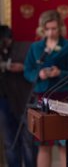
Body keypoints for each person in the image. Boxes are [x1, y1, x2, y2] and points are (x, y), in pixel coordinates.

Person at [24, 10, 68, 167]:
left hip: (63, 97)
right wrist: (39, 73)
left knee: (64, 144)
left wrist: (59, 72)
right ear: (42, 29)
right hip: (42, 98)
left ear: (60, 27)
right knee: (43, 144)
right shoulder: (36, 47)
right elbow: (27, 71)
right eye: (47, 29)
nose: (51, 32)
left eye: (54, 28)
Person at [0, 25, 37, 166]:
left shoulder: (25, 48)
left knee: (29, 142)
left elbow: (35, 68)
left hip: (24, 100)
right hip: (4, 101)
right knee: (9, 142)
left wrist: (23, 67)